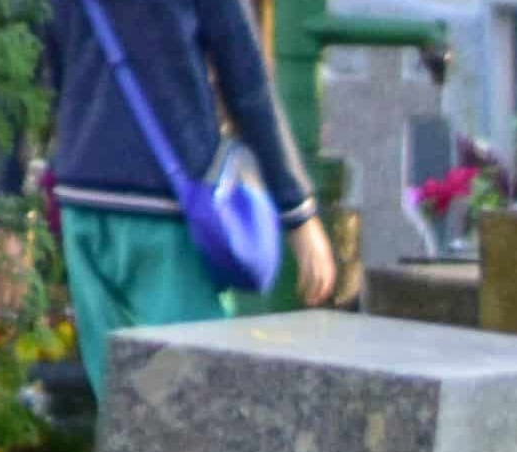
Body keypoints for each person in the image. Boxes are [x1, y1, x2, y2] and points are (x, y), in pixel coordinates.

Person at [44, 0, 341, 397]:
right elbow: (247, 82)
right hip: (166, 213)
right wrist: (297, 212)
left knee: (121, 397)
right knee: (198, 390)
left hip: (83, 206)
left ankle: (140, 451)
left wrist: (6, 216)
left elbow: (27, 78)